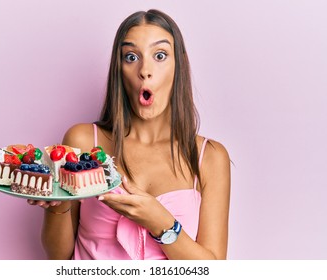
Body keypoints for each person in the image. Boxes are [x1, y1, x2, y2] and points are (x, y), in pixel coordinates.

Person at [28, 9, 231, 260]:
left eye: (160, 55)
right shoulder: (82, 142)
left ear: (179, 64)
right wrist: (58, 204)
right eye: (131, 57)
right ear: (119, 69)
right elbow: (58, 257)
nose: (145, 70)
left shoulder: (209, 157)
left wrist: (162, 224)